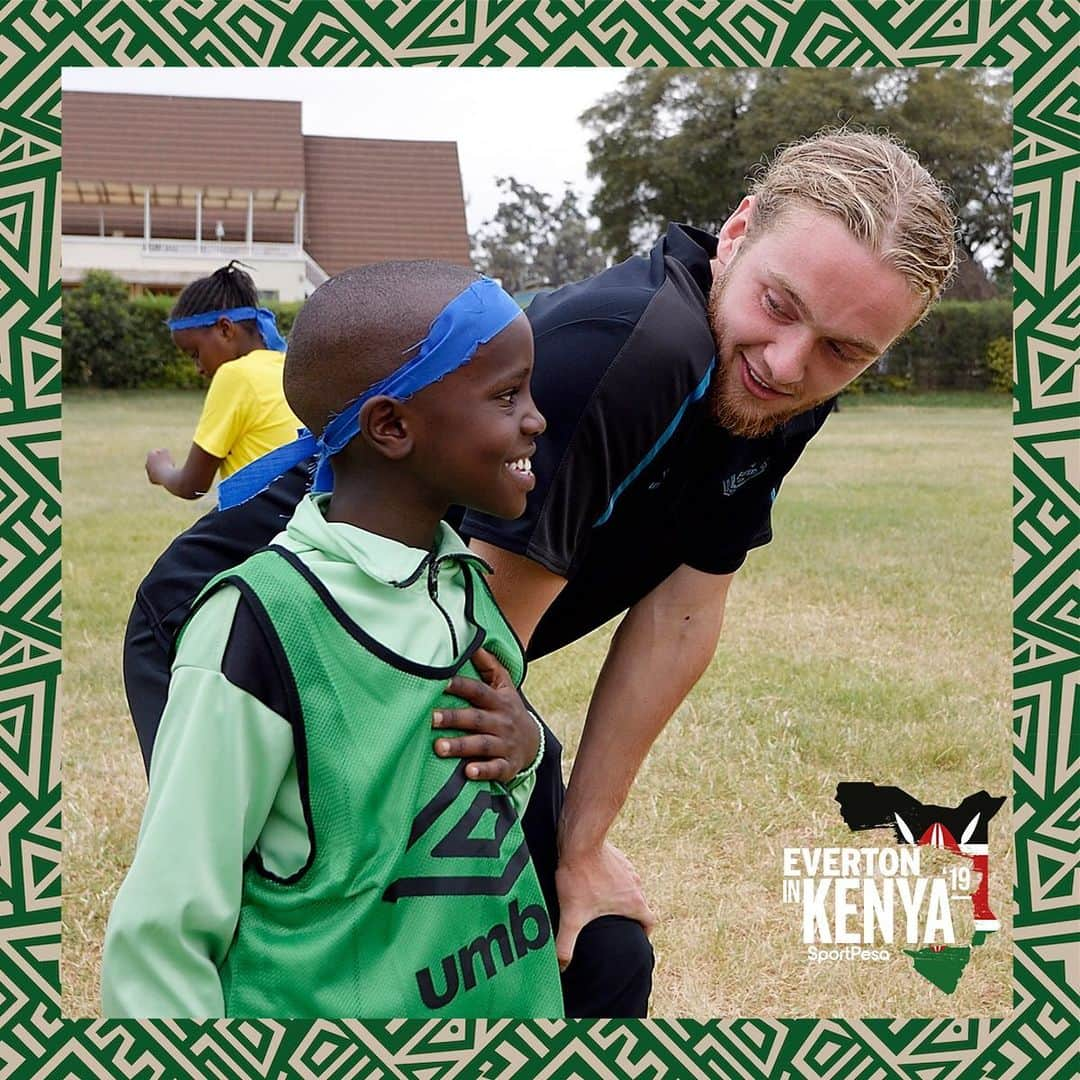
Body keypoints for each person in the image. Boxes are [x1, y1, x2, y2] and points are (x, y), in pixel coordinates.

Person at [122, 128, 957, 1017]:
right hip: (263, 648)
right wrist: (532, 834)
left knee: (595, 954)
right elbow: (473, 637)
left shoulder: (774, 393)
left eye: (844, 352)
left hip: (442, 656)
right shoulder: (640, 348)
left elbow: (682, 613)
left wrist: (584, 847)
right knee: (350, 953)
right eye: (779, 306)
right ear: (740, 228)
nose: (789, 365)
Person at [103, 262, 564, 1018]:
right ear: (392, 427)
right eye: (507, 394)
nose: (537, 418)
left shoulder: (465, 587)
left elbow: (468, 812)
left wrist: (527, 750)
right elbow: (165, 932)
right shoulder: (257, 625)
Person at [144, 262, 300, 499]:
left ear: (225, 329)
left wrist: (161, 470)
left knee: (188, 539)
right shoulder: (288, 366)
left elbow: (192, 486)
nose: (198, 368)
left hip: (264, 520)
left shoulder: (236, 375)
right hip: (301, 517)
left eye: (195, 354)